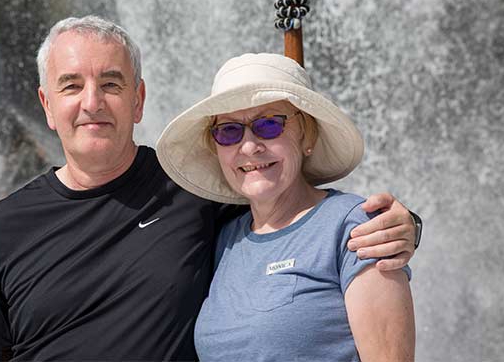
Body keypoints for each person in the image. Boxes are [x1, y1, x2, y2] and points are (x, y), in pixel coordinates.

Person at [0, 16, 420, 361]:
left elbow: (299, 213)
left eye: (111, 83)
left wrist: (405, 226)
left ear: (138, 100)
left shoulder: (193, 195)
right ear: (47, 105)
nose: (92, 102)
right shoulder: (5, 225)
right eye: (72, 86)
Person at [156, 52, 415, 361]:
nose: (249, 146)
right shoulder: (226, 239)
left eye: (268, 125)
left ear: (307, 134)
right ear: (216, 149)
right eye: (229, 131)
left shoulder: (355, 227)